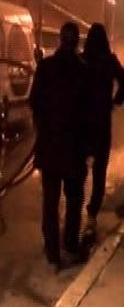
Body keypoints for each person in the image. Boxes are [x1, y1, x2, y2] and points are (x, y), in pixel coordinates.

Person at [29, 22, 89, 272]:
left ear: (60, 41)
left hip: (50, 148)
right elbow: (89, 113)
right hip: (74, 150)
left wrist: (42, 128)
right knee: (74, 199)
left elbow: (33, 102)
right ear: (76, 43)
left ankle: (52, 251)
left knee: (50, 202)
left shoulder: (45, 67)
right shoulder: (83, 71)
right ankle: (71, 244)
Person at [79, 23, 124, 244]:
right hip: (101, 124)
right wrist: (115, 101)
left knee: (77, 171)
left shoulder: (81, 60)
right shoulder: (109, 60)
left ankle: (73, 214)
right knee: (98, 173)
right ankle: (91, 216)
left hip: (82, 124)